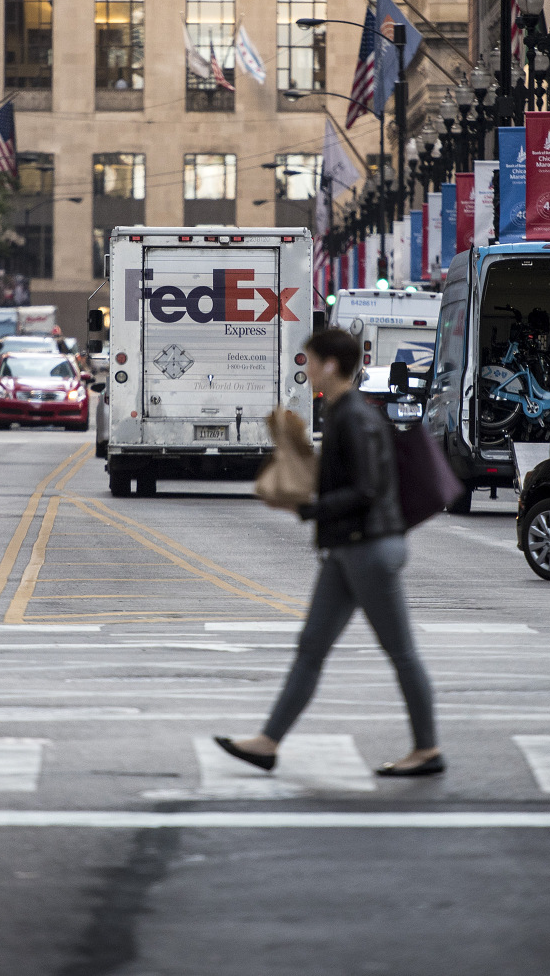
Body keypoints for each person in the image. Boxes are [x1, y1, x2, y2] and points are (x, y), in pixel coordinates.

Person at [215, 329, 441, 777]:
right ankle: (267, 742)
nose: (307, 367)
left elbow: (367, 488)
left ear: (331, 365)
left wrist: (307, 506)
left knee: (401, 652)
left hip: (369, 547)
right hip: (348, 546)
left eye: (311, 360)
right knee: (311, 646)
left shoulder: (354, 415)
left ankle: (428, 751)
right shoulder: (340, 410)